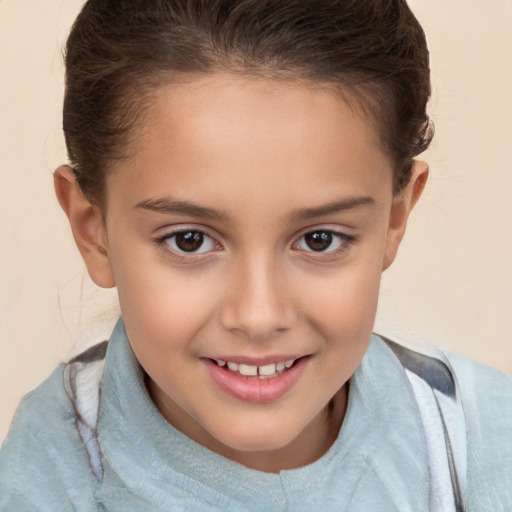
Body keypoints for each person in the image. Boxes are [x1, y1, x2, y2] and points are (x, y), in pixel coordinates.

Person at [1, 0, 511, 510]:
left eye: (319, 239)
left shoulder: (483, 447)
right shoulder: (47, 472)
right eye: (189, 240)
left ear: (395, 219)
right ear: (95, 233)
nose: (259, 316)